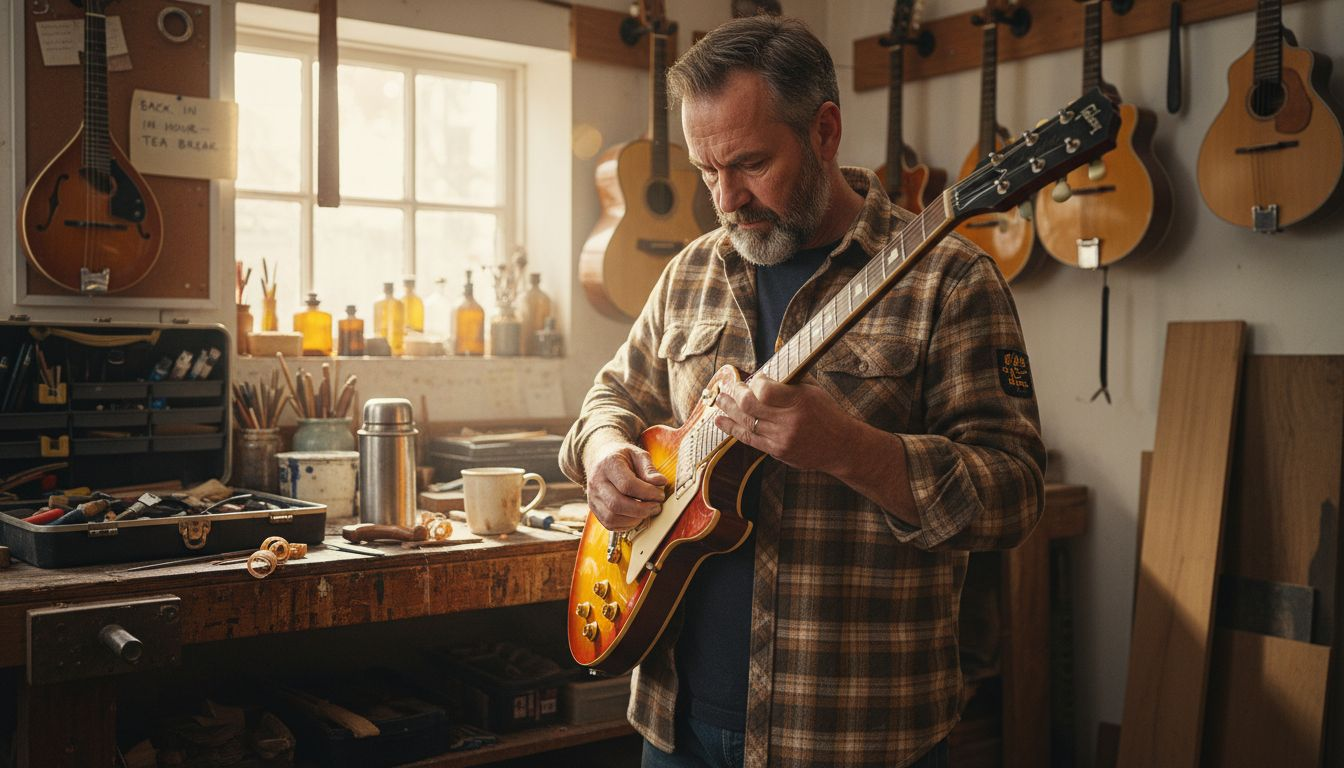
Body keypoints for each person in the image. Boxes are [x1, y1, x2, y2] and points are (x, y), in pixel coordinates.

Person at [559, 15, 1045, 768]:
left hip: (854, 734)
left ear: (824, 132)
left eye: (751, 164)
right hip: (675, 722)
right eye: (707, 170)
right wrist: (603, 453)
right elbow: (609, 397)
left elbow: (1014, 496)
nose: (726, 199)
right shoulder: (691, 270)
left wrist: (854, 450)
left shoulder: (950, 281)